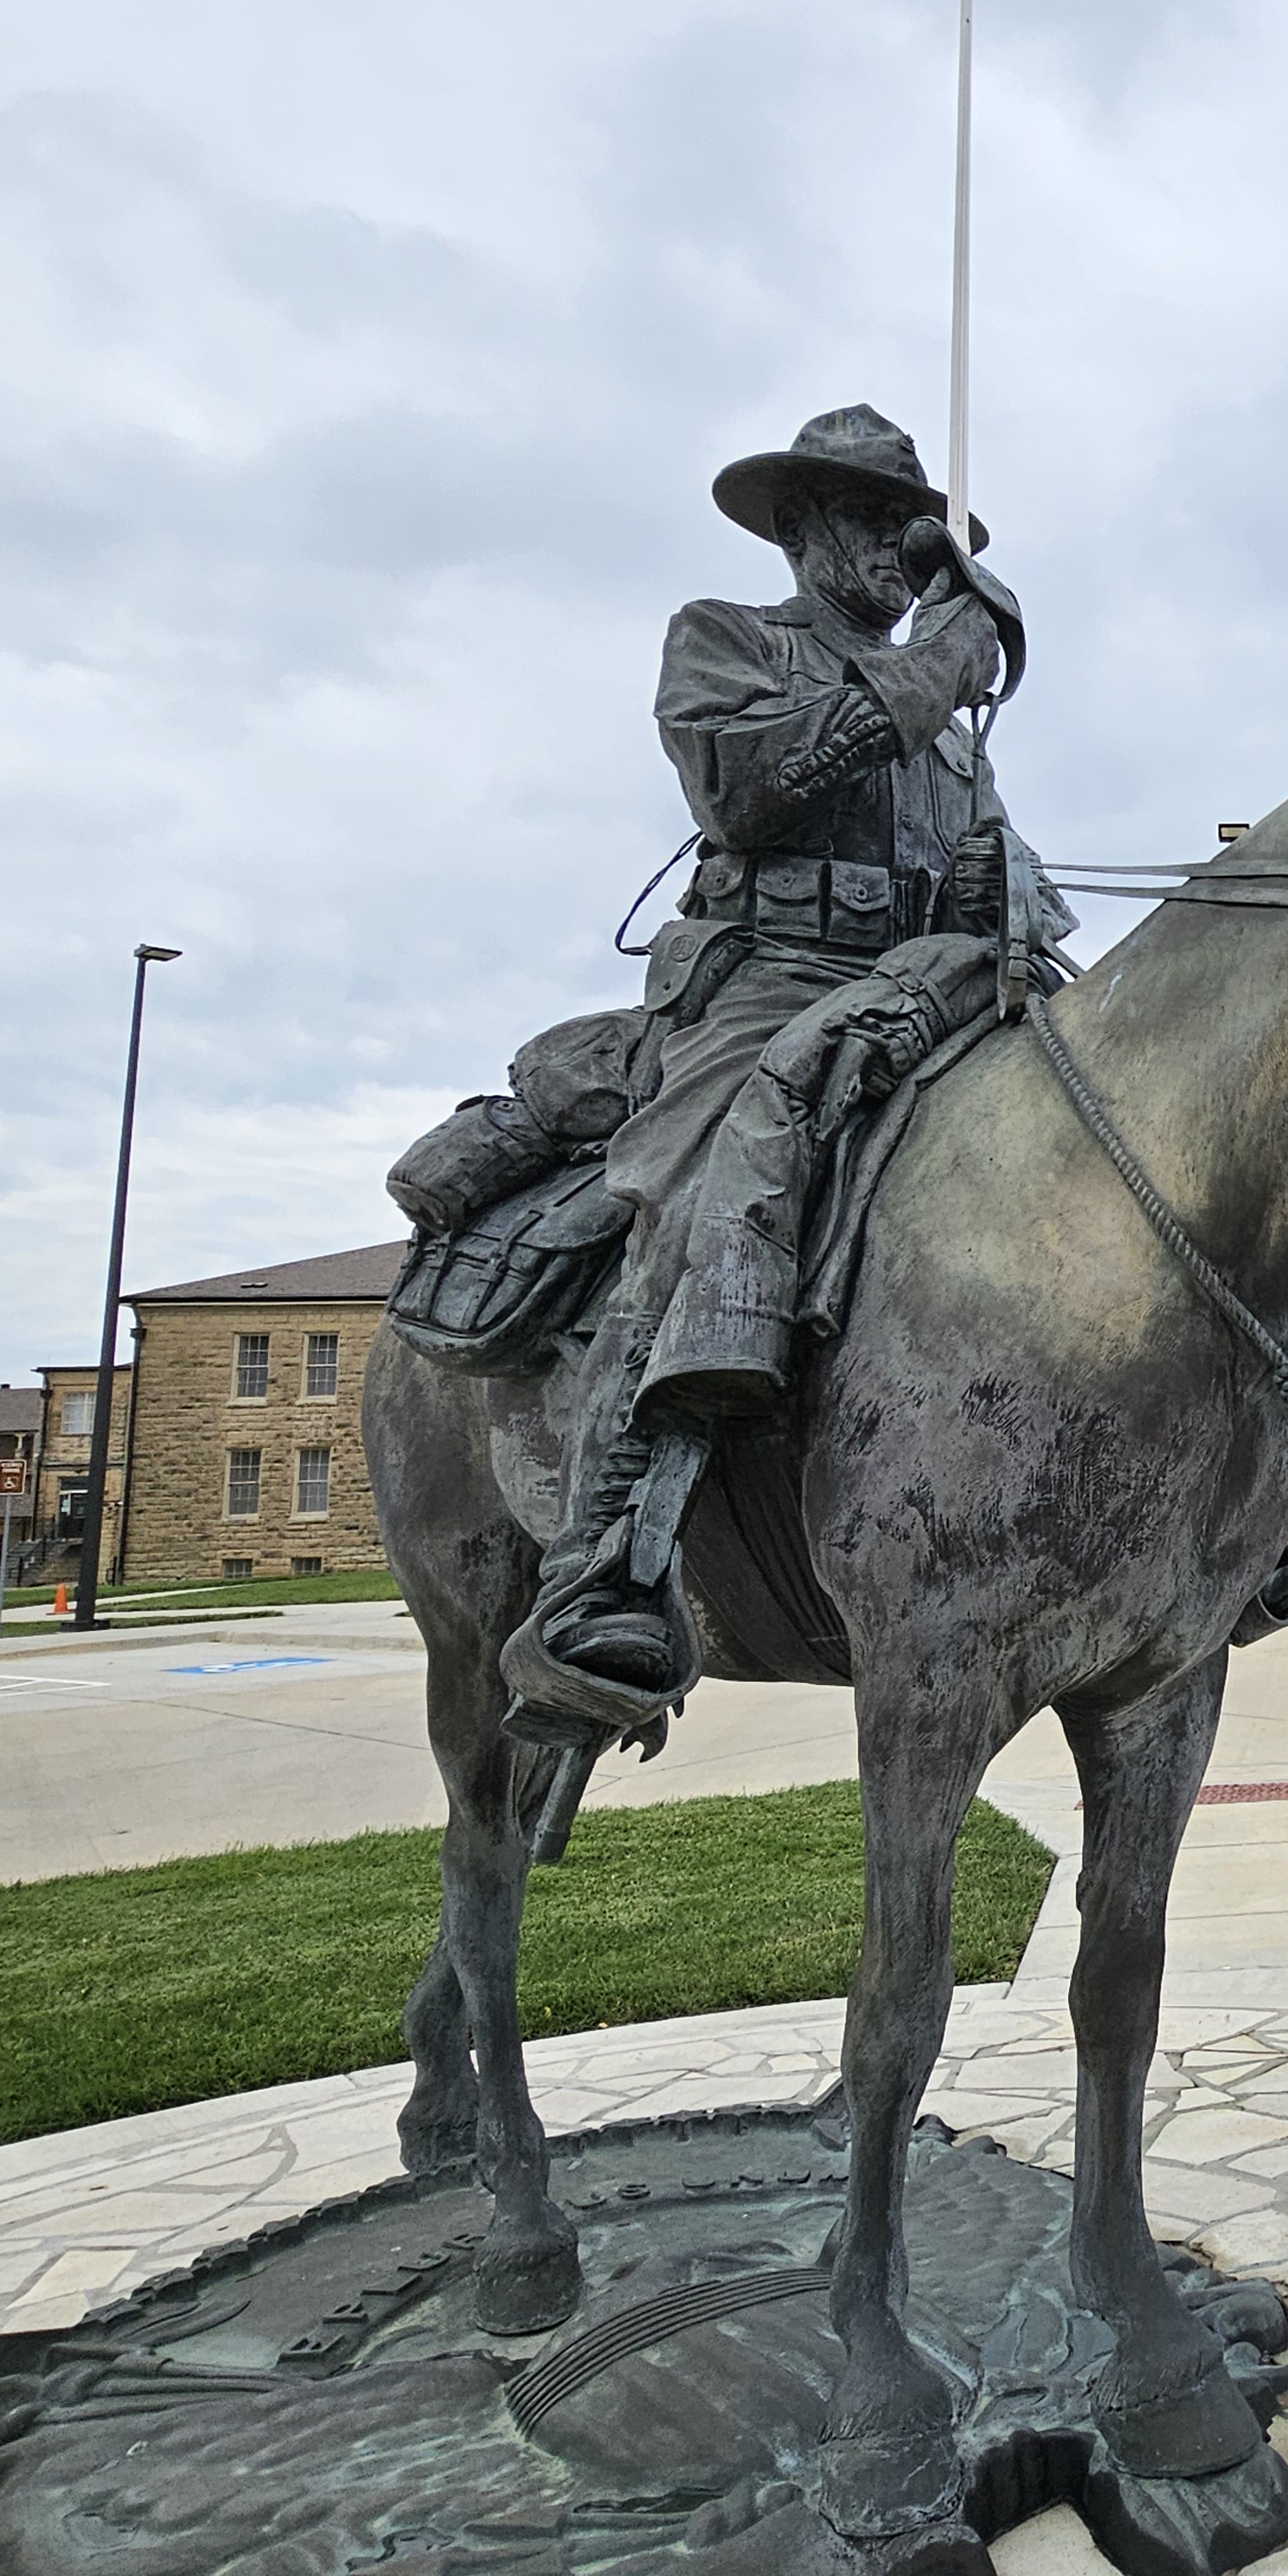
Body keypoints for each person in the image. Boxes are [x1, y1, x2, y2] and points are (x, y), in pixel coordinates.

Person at [517, 403, 1064, 1708]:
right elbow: (745, 795)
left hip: (932, 994)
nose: (908, 548)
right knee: (714, 1169)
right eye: (882, 522)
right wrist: (932, 669)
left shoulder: (954, 729)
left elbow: (1015, 881)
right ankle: (605, 1562)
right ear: (804, 526)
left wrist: (1002, 891)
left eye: (921, 532)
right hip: (770, 988)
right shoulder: (729, 640)